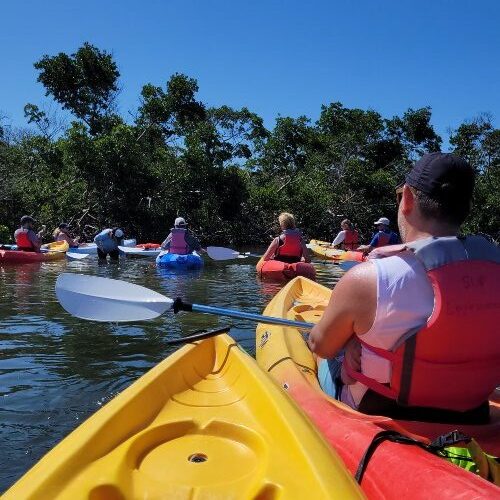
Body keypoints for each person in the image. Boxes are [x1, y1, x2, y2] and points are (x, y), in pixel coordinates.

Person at [308, 152, 500, 424]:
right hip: (473, 413)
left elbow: (321, 346)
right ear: (465, 209)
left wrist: (347, 343)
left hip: (385, 413)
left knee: (322, 348)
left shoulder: (366, 280)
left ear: (407, 198)